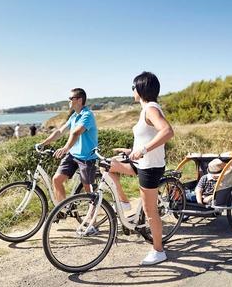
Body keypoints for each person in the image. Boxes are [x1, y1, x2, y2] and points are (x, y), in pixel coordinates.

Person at [108, 71, 174, 265]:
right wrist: (132, 150)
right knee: (108, 165)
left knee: (150, 210)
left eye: (133, 87)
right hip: (140, 161)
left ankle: (158, 250)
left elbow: (167, 131)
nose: (132, 91)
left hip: (150, 166)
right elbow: (148, 136)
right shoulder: (147, 109)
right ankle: (124, 202)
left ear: (140, 88)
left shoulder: (151, 109)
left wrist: (143, 150)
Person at [38, 88, 98, 204]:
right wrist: (43, 143)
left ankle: (93, 213)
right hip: (73, 155)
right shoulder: (74, 116)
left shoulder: (87, 115)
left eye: (71, 98)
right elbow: (60, 131)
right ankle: (63, 209)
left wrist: (66, 148)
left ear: (79, 100)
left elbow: (76, 132)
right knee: (56, 180)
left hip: (87, 157)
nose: (69, 101)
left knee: (88, 189)